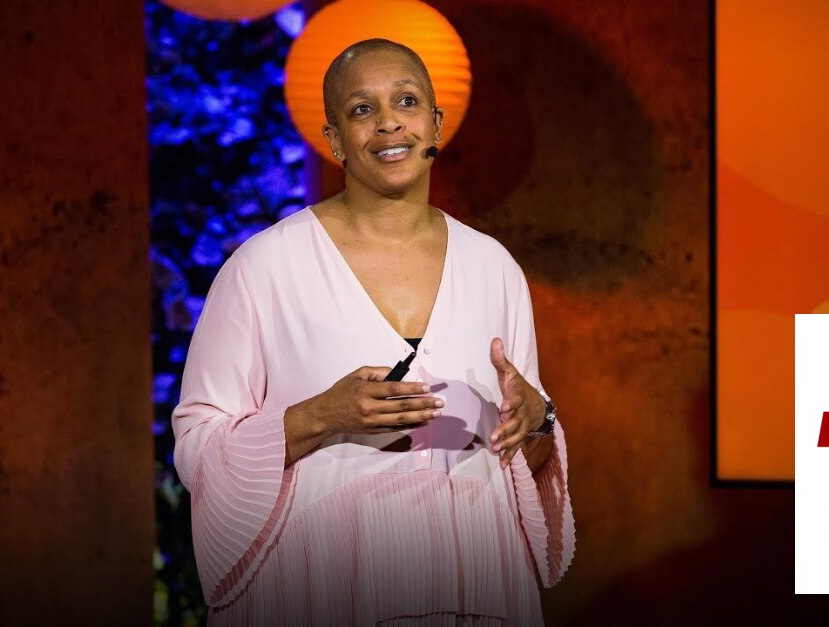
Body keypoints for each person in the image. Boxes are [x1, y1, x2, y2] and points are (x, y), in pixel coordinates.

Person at [171, 39, 575, 625]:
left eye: (406, 101)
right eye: (362, 109)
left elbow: (525, 454)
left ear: (436, 123)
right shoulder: (263, 268)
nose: (389, 122)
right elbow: (197, 442)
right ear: (334, 139)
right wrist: (320, 416)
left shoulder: (494, 268)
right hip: (318, 588)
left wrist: (536, 419)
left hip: (475, 587)